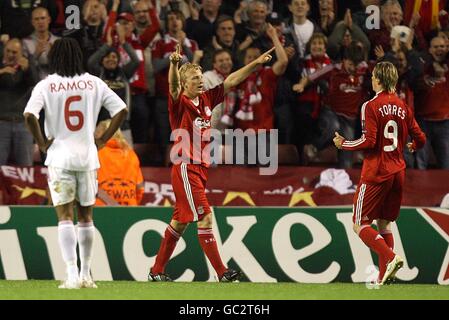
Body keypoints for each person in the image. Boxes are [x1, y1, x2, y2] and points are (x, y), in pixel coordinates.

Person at [148, 44, 276, 282]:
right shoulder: (179, 103)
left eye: (200, 77)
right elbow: (172, 85)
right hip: (186, 166)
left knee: (179, 222)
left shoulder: (207, 98)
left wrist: (257, 62)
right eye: (194, 79)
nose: (199, 81)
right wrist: (175, 65)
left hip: (200, 168)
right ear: (185, 84)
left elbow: (232, 80)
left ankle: (156, 271)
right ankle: (222, 272)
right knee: (205, 217)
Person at [23, 38, 128, 289]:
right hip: (87, 157)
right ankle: (86, 275)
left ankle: (71, 275)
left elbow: (29, 115)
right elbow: (121, 110)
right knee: (86, 217)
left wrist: (41, 142)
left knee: (64, 217)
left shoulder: (46, 85)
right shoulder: (93, 82)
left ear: (55, 58)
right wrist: (102, 138)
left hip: (59, 156)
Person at [333, 61, 426, 285]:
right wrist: (413, 147)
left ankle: (391, 258)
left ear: (380, 79)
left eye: (374, 76)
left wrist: (343, 144)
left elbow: (369, 140)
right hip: (398, 171)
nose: (371, 79)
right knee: (385, 223)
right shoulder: (403, 106)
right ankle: (384, 276)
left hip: (377, 172)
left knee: (359, 223)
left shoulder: (370, 105)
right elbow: (420, 138)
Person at [95, 119, 144, 206]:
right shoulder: (131, 154)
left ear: (99, 135)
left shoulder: (96, 154)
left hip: (101, 209)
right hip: (129, 207)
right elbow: (140, 188)